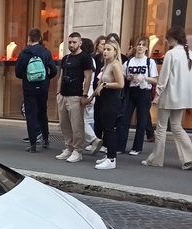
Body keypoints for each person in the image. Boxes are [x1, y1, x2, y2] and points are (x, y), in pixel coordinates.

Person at [142, 26, 192, 170]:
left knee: (162, 128)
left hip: (169, 95)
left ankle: (157, 159)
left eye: (168, 37)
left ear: (173, 37)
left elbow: (163, 78)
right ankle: (188, 157)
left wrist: (157, 95)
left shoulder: (171, 54)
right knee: (176, 126)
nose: (166, 39)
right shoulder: (189, 54)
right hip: (183, 97)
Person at [15, 28, 58, 153]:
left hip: (29, 88)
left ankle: (33, 144)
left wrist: (26, 77)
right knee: (42, 112)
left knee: (31, 115)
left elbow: (17, 72)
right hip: (43, 87)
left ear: (29, 39)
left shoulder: (24, 53)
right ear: (40, 39)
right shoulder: (46, 52)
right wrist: (46, 79)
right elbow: (54, 70)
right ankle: (45, 138)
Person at [55, 32, 93, 163]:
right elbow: (60, 76)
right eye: (70, 42)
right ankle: (69, 148)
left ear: (80, 43)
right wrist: (58, 93)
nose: (71, 45)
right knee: (64, 124)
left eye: (74, 42)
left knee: (77, 125)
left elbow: (88, 77)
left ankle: (78, 150)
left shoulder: (85, 58)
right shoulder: (65, 58)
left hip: (76, 96)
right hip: (63, 95)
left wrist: (84, 94)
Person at [117, 36, 158, 156]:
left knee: (142, 120)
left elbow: (155, 80)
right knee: (124, 119)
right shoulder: (129, 62)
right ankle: (120, 146)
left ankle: (137, 147)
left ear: (146, 47)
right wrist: (130, 78)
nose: (140, 46)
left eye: (142, 44)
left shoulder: (149, 62)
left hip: (144, 91)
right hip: (131, 90)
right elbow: (123, 76)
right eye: (138, 44)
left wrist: (144, 77)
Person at [88, 39, 125, 170]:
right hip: (104, 99)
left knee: (109, 130)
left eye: (109, 49)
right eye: (104, 49)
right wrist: (91, 97)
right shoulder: (106, 64)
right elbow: (98, 85)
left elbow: (121, 84)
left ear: (115, 52)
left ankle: (111, 159)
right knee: (105, 127)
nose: (105, 51)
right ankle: (109, 155)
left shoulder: (115, 64)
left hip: (112, 99)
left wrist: (105, 85)